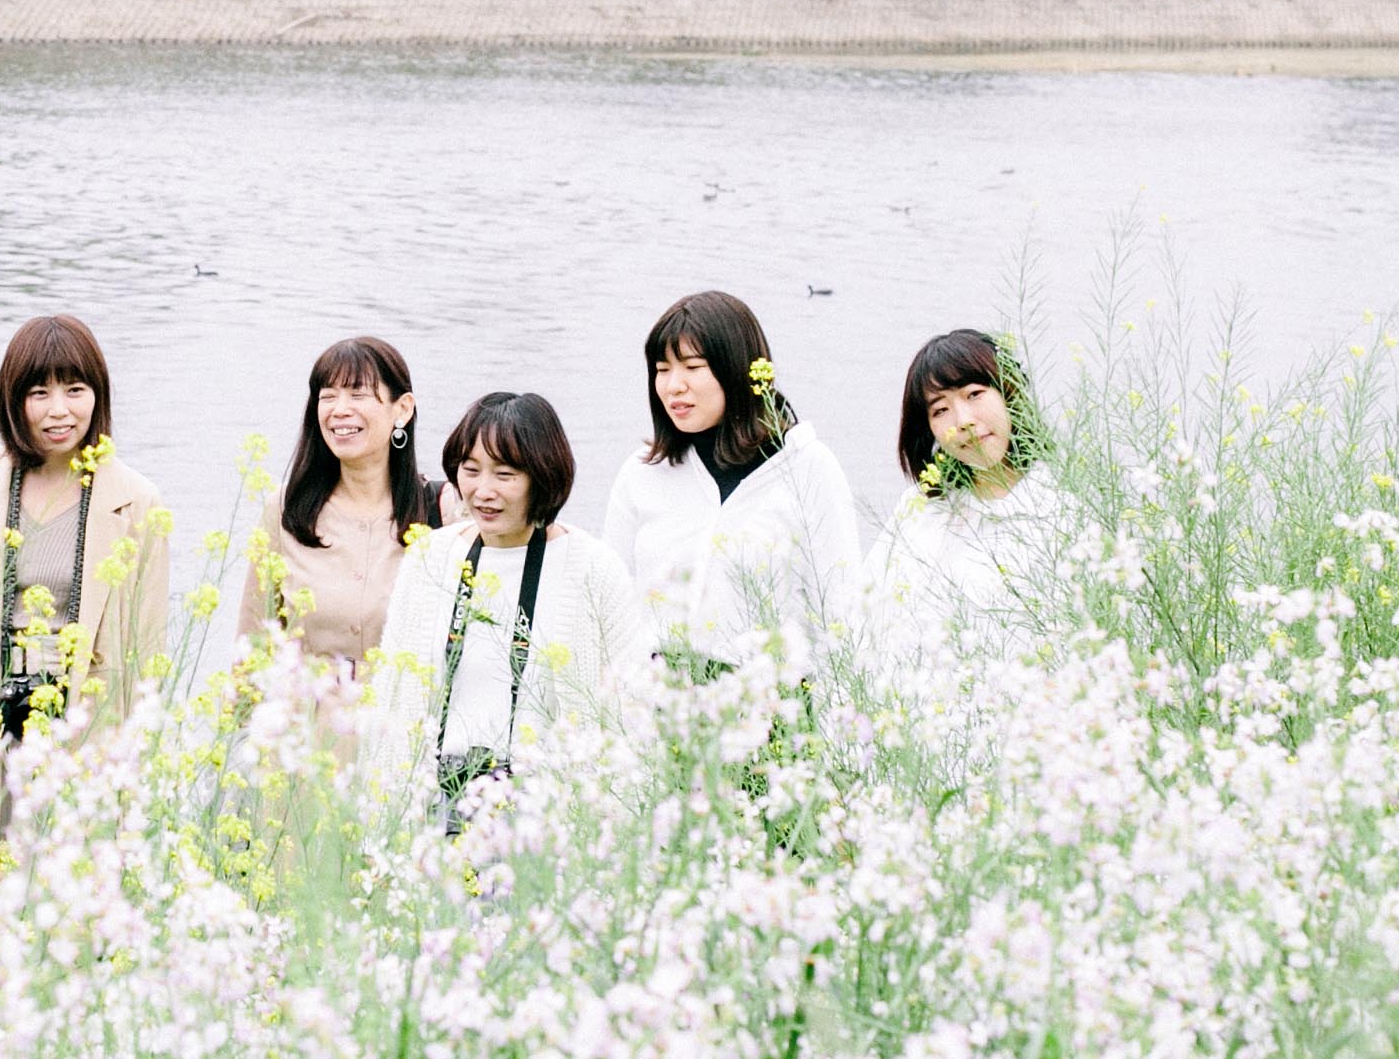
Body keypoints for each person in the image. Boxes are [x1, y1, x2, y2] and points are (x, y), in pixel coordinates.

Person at [0, 314, 171, 827]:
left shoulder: (137, 500)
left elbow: (147, 649)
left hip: (85, 720)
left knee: (71, 866)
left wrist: (143, 770)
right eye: (39, 393)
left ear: (98, 395)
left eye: (75, 390)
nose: (59, 411)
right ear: (14, 401)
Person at [375, 392, 650, 830]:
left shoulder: (594, 569)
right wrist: (381, 828)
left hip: (549, 818)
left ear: (542, 477)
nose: (484, 491)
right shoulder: (430, 558)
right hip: (436, 809)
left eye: (505, 474)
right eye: (470, 471)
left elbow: (632, 713)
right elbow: (391, 701)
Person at [601, 291, 869, 674]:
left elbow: (840, 609)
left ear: (737, 369)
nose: (674, 386)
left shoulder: (806, 468)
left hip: (768, 698)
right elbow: (609, 603)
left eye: (692, 367)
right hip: (658, 697)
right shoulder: (643, 471)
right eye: (662, 369)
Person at [854, 328, 1070, 669]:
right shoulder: (921, 508)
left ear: (1009, 392)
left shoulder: (1066, 507)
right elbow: (863, 623)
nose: (964, 421)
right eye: (941, 410)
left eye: (974, 394)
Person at [238, 335, 446, 665]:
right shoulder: (287, 509)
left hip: (402, 700)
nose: (340, 410)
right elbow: (253, 644)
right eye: (328, 397)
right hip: (307, 700)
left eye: (358, 395)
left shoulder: (443, 510)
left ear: (403, 409)